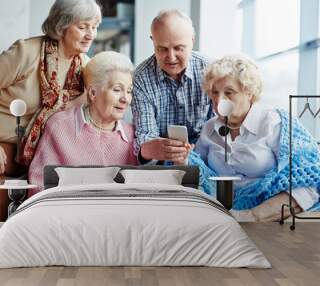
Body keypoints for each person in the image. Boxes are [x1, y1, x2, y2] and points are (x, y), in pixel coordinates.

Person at [0, 0, 102, 221]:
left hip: (22, 151)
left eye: (94, 27)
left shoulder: (85, 69)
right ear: (62, 25)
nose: (91, 35)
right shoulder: (27, 52)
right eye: (83, 26)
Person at [192, 54, 320, 221]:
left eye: (229, 93)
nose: (218, 101)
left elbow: (309, 180)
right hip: (221, 209)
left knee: (304, 187)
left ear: (249, 92)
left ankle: (249, 218)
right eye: (214, 92)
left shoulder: (275, 123)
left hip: (266, 210)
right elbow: (198, 170)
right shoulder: (209, 127)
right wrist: (184, 156)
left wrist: (252, 215)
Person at [28, 51, 138, 194]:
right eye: (117, 90)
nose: (126, 99)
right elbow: (39, 184)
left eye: (129, 91)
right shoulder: (60, 126)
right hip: (67, 212)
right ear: (93, 93)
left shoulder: (132, 134)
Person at [131, 9, 212, 165]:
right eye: (162, 48)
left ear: (192, 41)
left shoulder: (209, 70)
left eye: (179, 48)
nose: (171, 57)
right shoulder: (140, 78)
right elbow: (146, 137)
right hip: (163, 165)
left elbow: (220, 130)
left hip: (207, 160)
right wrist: (151, 148)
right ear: (152, 41)